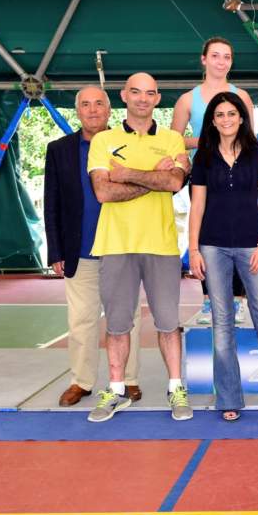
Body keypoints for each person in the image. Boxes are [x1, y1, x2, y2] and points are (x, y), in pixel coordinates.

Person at [86, 73, 192, 423]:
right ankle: (116, 390)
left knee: (168, 323)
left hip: (161, 244)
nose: (143, 99)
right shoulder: (103, 140)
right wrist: (152, 177)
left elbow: (174, 182)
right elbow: (104, 192)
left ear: (158, 98)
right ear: (124, 95)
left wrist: (127, 173)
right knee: (117, 325)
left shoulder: (173, 138)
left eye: (149, 93)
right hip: (116, 244)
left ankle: (176, 388)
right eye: (136, 92)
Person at [188, 92, 258, 426]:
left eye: (231, 114)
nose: (226, 119)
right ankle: (228, 398)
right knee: (222, 323)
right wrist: (193, 249)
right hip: (212, 247)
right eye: (220, 114)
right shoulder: (203, 156)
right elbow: (197, 206)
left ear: (241, 118)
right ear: (212, 121)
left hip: (253, 246)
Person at [44, 87, 142, 407]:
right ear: (77, 111)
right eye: (85, 104)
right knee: (81, 321)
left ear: (110, 109)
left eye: (99, 103)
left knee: (127, 319)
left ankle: (128, 380)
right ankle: (82, 382)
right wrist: (55, 250)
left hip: (122, 249)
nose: (93, 109)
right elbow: (52, 203)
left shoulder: (129, 144)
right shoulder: (59, 149)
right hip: (79, 251)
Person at [171, 37, 254, 324]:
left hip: (239, 176)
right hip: (204, 177)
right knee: (205, 236)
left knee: (242, 234)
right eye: (215, 55)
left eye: (227, 56)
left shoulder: (242, 96)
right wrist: (207, 140)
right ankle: (209, 301)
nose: (221, 61)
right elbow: (173, 141)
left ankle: (238, 300)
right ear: (204, 59)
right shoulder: (187, 100)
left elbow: (250, 139)